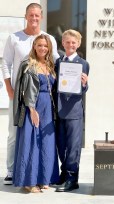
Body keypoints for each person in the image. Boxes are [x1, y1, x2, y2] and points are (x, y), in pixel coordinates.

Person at [0, 3, 59, 185]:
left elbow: (57, 63)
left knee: (39, 133)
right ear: (26, 16)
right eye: (31, 15)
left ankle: (39, 172)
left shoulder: (48, 38)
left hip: (42, 96)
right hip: (19, 94)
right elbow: (5, 63)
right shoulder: (14, 38)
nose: (34, 18)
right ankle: (11, 170)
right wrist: (9, 88)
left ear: (41, 17)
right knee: (14, 132)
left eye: (37, 15)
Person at [12, 34, 59, 193]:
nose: (43, 48)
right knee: (31, 142)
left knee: (46, 142)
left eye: (45, 46)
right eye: (39, 45)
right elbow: (25, 90)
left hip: (48, 109)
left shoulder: (51, 65)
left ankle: (44, 178)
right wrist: (32, 109)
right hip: (33, 107)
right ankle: (29, 182)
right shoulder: (28, 65)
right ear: (34, 46)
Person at [54, 29, 89, 192]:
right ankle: (64, 174)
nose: (70, 44)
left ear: (78, 44)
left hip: (74, 111)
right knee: (61, 145)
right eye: (67, 42)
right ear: (63, 43)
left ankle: (72, 179)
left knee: (73, 147)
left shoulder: (84, 64)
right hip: (59, 111)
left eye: (73, 42)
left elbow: (83, 89)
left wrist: (84, 83)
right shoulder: (58, 62)